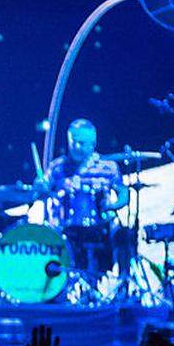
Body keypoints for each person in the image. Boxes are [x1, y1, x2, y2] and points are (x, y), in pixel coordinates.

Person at [33, 118, 130, 280]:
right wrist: (40, 186)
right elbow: (42, 191)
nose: (77, 147)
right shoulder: (57, 167)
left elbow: (123, 193)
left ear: (93, 143)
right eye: (74, 142)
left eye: (83, 143)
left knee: (125, 236)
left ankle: (123, 285)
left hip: (100, 226)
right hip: (66, 228)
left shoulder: (108, 166)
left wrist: (113, 205)